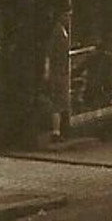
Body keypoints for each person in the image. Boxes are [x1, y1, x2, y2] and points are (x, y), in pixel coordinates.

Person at [43, 10, 72, 144]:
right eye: (67, 15)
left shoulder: (64, 32)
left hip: (62, 72)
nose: (69, 19)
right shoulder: (57, 32)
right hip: (58, 73)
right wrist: (48, 72)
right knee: (58, 102)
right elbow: (49, 53)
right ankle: (56, 131)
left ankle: (61, 129)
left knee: (63, 101)